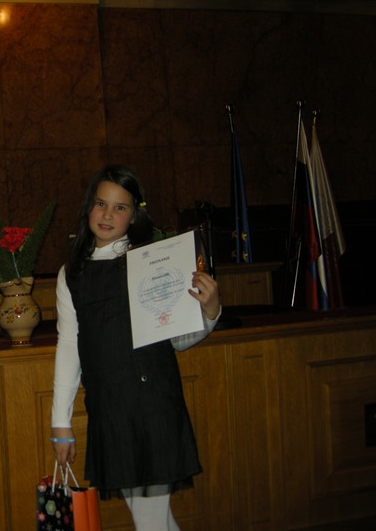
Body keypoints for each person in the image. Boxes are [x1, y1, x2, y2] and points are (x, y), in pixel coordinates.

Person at [50, 165, 221, 531]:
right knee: (154, 520)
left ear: (133, 215)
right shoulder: (71, 273)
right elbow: (69, 345)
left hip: (152, 403)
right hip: (109, 408)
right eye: (101, 203)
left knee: (149, 521)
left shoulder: (150, 262)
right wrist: (60, 421)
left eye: (120, 207)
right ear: (89, 207)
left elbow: (179, 339)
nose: (107, 215)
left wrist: (210, 311)